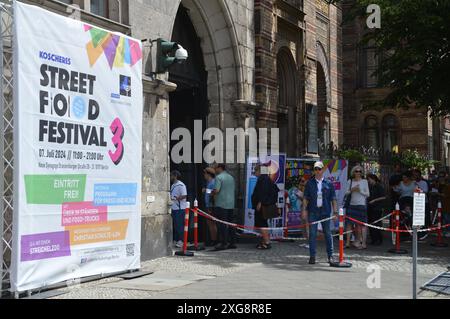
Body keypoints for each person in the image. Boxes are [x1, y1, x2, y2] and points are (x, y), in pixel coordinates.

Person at [302, 161, 338, 265]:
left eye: (319, 169)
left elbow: (333, 199)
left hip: (325, 212)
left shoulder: (329, 183)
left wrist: (335, 212)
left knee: (327, 233)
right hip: (313, 211)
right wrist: (304, 210)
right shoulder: (309, 183)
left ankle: (330, 256)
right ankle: (312, 256)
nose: (317, 171)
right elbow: (305, 198)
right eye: (315, 169)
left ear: (323, 170)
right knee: (312, 234)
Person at [251, 164, 280, 249]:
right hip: (263, 204)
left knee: (261, 223)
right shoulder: (265, 179)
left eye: (255, 171)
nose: (254, 173)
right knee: (262, 223)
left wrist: (260, 202)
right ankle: (264, 240)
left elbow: (263, 192)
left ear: (260, 171)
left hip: (263, 206)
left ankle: (266, 242)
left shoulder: (264, 179)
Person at [345, 166, 370, 249]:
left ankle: (363, 243)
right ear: (353, 172)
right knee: (349, 224)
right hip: (351, 205)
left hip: (361, 205)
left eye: (360, 171)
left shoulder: (364, 181)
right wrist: (352, 190)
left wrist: (360, 191)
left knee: (361, 225)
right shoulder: (350, 181)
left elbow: (368, 194)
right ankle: (348, 243)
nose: (358, 173)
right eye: (356, 171)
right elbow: (346, 193)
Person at [212, 163, 236, 251]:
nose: (215, 169)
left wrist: (211, 192)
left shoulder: (218, 177)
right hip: (231, 204)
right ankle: (232, 242)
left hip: (221, 204)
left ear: (220, 168)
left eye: (215, 168)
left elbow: (217, 190)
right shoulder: (231, 177)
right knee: (231, 224)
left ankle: (223, 243)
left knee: (222, 224)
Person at [170, 170, 188, 248]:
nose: (170, 177)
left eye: (171, 175)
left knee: (180, 225)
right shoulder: (173, 185)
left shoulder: (181, 185)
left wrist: (178, 198)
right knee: (176, 225)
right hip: (174, 207)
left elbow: (184, 195)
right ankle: (177, 240)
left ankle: (182, 240)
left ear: (175, 176)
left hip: (180, 208)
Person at [367, 174, 386, 245]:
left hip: (377, 207)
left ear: (373, 179)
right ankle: (373, 239)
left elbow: (383, 197)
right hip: (370, 207)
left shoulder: (379, 186)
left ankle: (378, 239)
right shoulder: (370, 187)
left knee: (376, 223)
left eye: (369, 179)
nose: (368, 181)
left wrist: (374, 200)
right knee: (370, 223)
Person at [202, 167, 218, 246]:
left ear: (208, 174)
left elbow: (215, 192)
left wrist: (206, 190)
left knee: (212, 224)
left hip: (211, 206)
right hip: (208, 205)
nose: (204, 175)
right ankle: (212, 239)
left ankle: (214, 240)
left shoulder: (213, 182)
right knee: (210, 224)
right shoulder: (209, 182)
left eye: (205, 173)